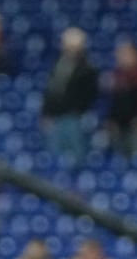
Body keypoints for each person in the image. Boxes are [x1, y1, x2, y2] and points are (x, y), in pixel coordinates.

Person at [41, 27, 99, 166]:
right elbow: (52, 90)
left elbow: (89, 94)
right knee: (55, 157)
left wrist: (78, 111)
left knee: (77, 157)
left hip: (73, 117)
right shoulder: (59, 63)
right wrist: (46, 112)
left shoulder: (87, 69)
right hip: (55, 117)